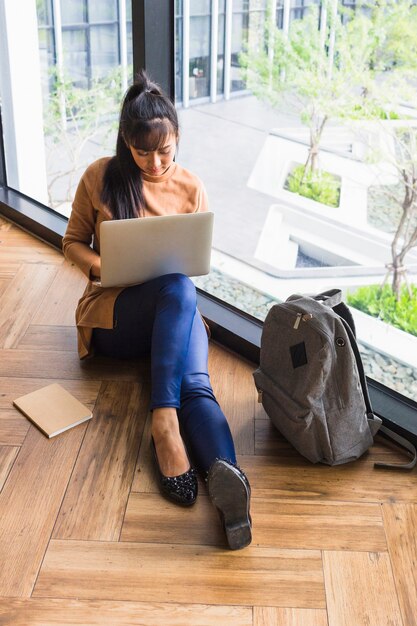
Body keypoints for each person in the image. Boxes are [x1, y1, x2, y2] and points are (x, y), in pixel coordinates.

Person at [62, 69, 252, 551]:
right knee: (177, 291)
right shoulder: (100, 177)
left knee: (195, 378)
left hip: (171, 311)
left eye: (165, 149)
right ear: (126, 141)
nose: (154, 161)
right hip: (114, 315)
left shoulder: (191, 187)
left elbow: (197, 261)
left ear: (177, 138)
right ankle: (163, 423)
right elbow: (70, 244)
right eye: (142, 150)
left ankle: (228, 485)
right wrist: (101, 267)